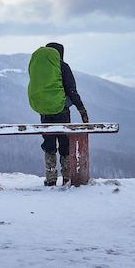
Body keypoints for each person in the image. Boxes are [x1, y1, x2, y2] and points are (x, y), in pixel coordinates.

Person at [37, 42, 89, 186]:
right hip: (62, 111)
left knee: (49, 144)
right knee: (64, 143)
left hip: (45, 112)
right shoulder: (62, 66)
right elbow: (71, 91)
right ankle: (67, 177)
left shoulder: (41, 69)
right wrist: (81, 109)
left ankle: (51, 178)